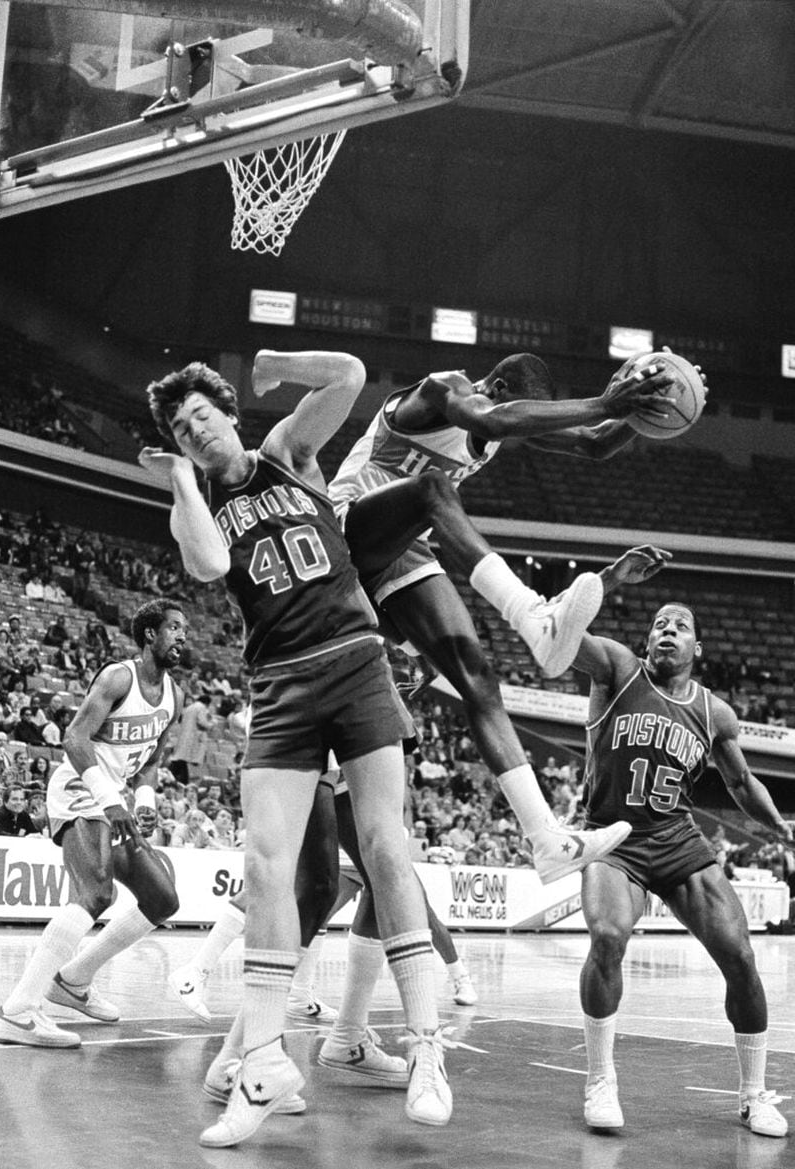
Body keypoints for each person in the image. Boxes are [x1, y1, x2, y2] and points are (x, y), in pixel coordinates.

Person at [141, 352, 459, 1145]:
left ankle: (425, 1046)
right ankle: (261, 1064)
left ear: (227, 408)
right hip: (279, 684)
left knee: (387, 852)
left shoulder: (286, 451)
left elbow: (352, 376)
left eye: (202, 413)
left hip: (355, 659)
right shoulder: (199, 504)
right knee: (264, 867)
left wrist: (276, 366)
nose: (196, 427)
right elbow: (211, 562)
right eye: (182, 426)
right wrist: (181, 475)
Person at [236, 349, 677, 884]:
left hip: (403, 556)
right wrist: (604, 401)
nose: (515, 426)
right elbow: (492, 418)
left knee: (478, 678)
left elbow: (595, 443)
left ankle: (546, 839)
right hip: (347, 534)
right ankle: (532, 616)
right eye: (514, 407)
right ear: (492, 383)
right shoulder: (441, 388)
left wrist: (644, 402)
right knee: (433, 490)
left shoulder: (499, 420)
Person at [571, 601, 792, 1137]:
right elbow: (562, 637)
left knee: (740, 955)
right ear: (647, 641)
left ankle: (752, 1094)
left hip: (675, 839)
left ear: (698, 649)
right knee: (606, 936)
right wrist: (609, 585)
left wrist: (783, 829)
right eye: (659, 624)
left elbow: (740, 784)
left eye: (681, 626)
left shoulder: (714, 713)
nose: (668, 630)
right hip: (613, 837)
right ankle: (600, 1079)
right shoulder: (619, 671)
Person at [0, 598, 186, 1049]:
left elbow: (151, 761)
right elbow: (74, 739)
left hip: (116, 797)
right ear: (149, 636)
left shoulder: (174, 695)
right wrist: (109, 797)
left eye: (184, 629)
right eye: (174, 628)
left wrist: (142, 798)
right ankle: (18, 1010)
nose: (181, 636)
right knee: (97, 892)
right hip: (81, 790)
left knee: (162, 899)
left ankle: (73, 981)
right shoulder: (119, 677)